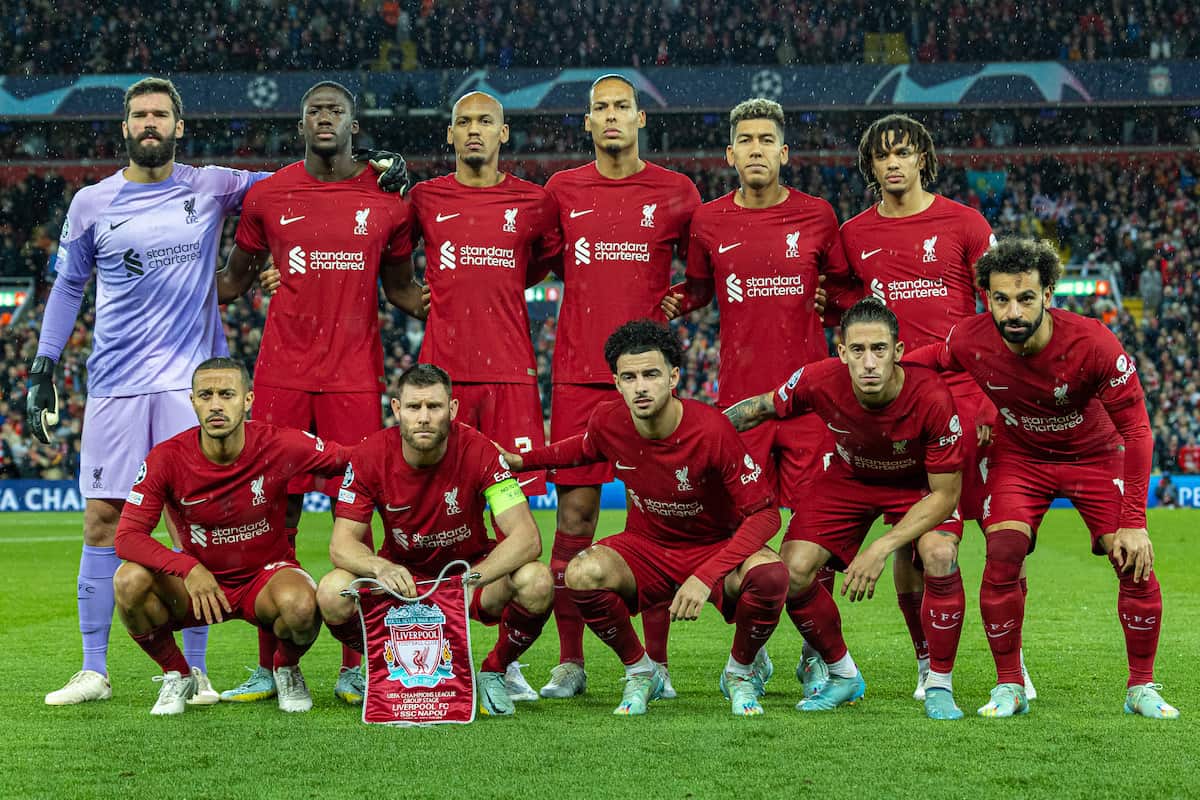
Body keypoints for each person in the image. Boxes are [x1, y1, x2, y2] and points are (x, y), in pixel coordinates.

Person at [28, 77, 269, 707]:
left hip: (190, 385)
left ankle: (196, 673)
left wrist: (362, 175)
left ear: (179, 126)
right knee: (103, 519)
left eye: (161, 114)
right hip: (114, 387)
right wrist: (43, 364)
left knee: (192, 527)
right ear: (126, 127)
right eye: (140, 115)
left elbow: (292, 192)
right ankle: (93, 670)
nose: (150, 123)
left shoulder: (212, 185)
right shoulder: (91, 204)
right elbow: (67, 288)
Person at [906, 237, 1178, 719]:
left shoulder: (1092, 341)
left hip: (1094, 458)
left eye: (1026, 297)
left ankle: (1142, 687)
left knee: (1132, 557)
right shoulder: (971, 339)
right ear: (986, 297)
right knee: (1003, 552)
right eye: (1001, 298)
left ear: (1049, 294)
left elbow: (1137, 429)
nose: (1013, 311)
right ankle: (1010, 685)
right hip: (1021, 458)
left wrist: (1135, 521)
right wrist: (864, 368)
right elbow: (920, 362)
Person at [217, 80, 422, 706]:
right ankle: (271, 664)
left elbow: (405, 292)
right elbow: (231, 281)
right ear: (300, 124)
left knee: (356, 519)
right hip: (280, 377)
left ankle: (355, 664)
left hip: (355, 378)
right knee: (269, 517)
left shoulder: (388, 202)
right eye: (315, 111)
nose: (325, 118)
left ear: (355, 125)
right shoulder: (268, 195)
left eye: (336, 110)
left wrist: (471, 294)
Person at [838, 113, 1038, 702]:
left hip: (975, 401)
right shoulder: (854, 235)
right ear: (870, 167)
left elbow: (1001, 311)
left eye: (903, 152)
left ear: (923, 157)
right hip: (904, 410)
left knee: (1003, 537)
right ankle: (928, 661)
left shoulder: (966, 223)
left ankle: (1013, 662)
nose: (893, 163)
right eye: (882, 155)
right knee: (915, 539)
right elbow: (849, 313)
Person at [661, 97, 854, 695]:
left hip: (808, 407)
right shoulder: (709, 222)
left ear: (784, 152)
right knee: (745, 533)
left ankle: (816, 652)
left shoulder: (818, 216)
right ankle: (758, 646)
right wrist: (673, 303)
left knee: (809, 540)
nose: (756, 149)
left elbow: (848, 293)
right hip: (740, 409)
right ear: (730, 154)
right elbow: (697, 288)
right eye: (745, 140)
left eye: (766, 139)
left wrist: (834, 305)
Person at [500, 321, 789, 717]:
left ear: (673, 377)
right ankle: (641, 670)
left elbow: (765, 515)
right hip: (647, 549)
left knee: (771, 576)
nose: (640, 387)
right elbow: (584, 449)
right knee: (580, 572)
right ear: (616, 382)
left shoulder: (712, 430)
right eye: (629, 377)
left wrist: (705, 576)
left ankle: (739, 672)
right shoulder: (608, 420)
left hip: (714, 546)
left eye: (651, 374)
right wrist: (523, 461)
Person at [724, 298, 967, 718]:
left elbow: (945, 494)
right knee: (792, 571)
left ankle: (938, 683)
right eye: (857, 350)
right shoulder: (818, 380)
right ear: (841, 353)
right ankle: (842, 673)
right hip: (849, 479)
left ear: (898, 351)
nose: (869, 362)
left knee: (940, 554)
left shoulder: (932, 398)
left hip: (917, 486)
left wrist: (881, 547)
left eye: (879, 350)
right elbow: (760, 407)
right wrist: (689, 432)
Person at [540, 73, 701, 700]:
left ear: (640, 118)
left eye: (621, 107)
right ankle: (571, 663)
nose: (611, 116)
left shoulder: (676, 191)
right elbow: (547, 259)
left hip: (649, 378)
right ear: (587, 122)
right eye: (599, 108)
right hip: (581, 372)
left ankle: (655, 664)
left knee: (653, 519)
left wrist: (677, 302)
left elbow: (704, 271)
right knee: (574, 519)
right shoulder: (561, 190)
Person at [405, 90, 562, 702]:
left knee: (512, 524)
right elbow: (391, 268)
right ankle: (421, 640)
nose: (474, 131)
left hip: (510, 380)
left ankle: (502, 662)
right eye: (464, 122)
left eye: (484, 122)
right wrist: (414, 296)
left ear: (504, 133)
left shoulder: (533, 202)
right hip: (440, 384)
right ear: (449, 135)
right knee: (435, 513)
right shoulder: (424, 199)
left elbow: (541, 266)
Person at [112, 358, 352, 715]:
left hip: (266, 578)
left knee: (301, 606)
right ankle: (177, 674)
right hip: (199, 587)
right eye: (206, 395)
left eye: (226, 394)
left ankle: (285, 667)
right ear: (192, 401)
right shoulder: (166, 458)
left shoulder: (280, 444)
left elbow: (353, 460)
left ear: (248, 400)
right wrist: (187, 568)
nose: (215, 405)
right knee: (128, 581)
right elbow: (127, 537)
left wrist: (417, 451)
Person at [317, 364, 553, 717]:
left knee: (537, 581)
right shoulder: (368, 456)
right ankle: (389, 663)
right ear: (396, 409)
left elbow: (526, 538)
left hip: (469, 573)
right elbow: (341, 545)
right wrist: (380, 566)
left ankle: (493, 670)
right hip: (404, 580)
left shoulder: (480, 450)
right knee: (331, 591)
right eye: (414, 408)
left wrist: (471, 580)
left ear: (452, 409)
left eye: (434, 407)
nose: (424, 417)